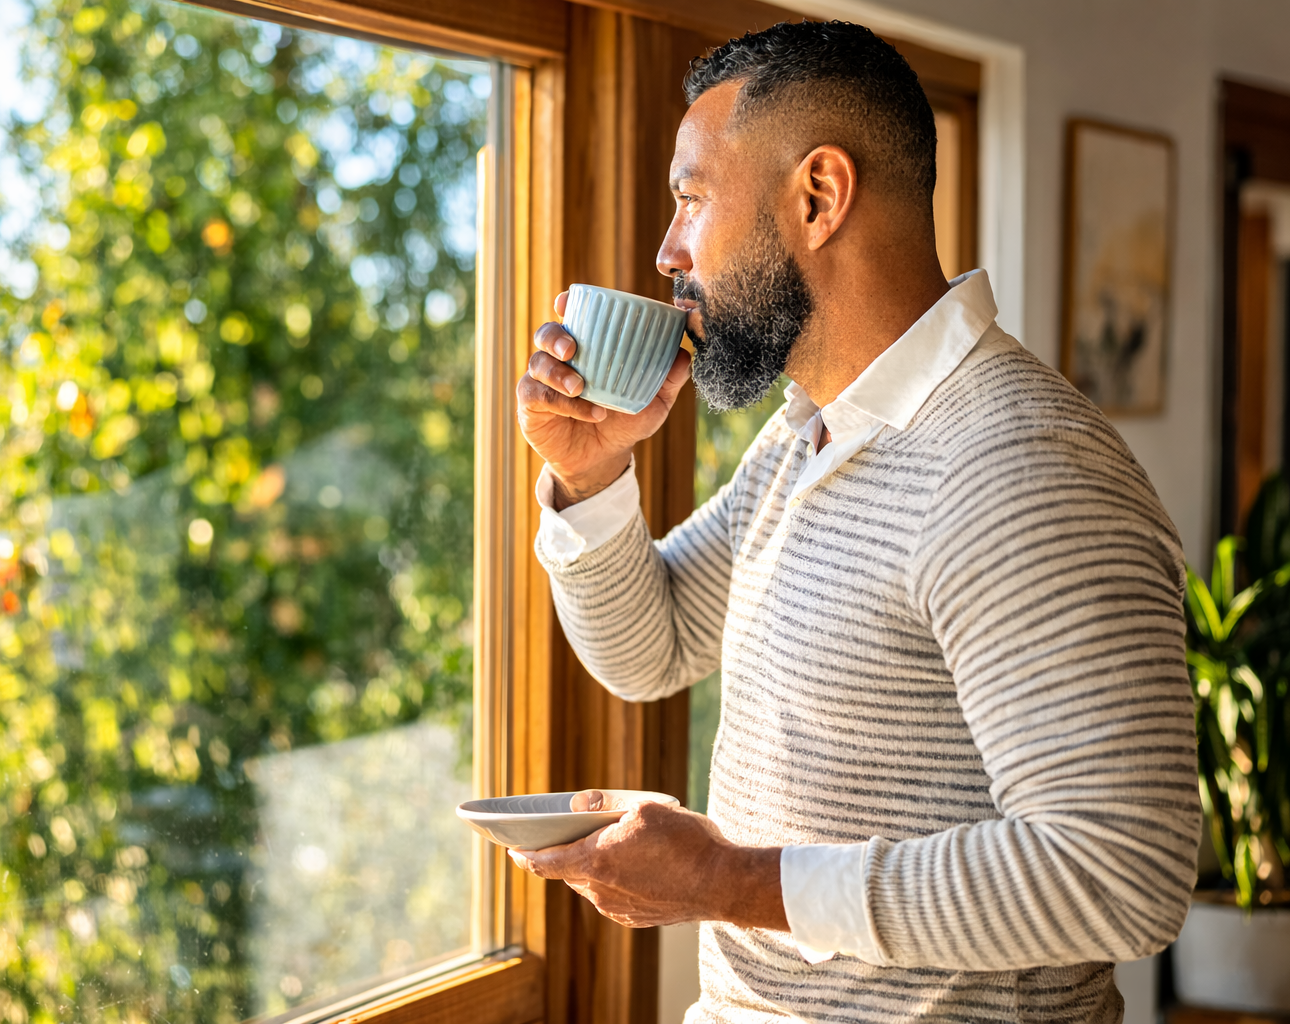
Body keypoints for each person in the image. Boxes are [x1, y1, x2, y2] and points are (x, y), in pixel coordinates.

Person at [509, 19, 1199, 1024]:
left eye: (692, 199)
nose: (667, 252)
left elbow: (1119, 876)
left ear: (818, 197)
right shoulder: (807, 439)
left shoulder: (1016, 469)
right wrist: (590, 471)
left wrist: (727, 881)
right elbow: (649, 647)